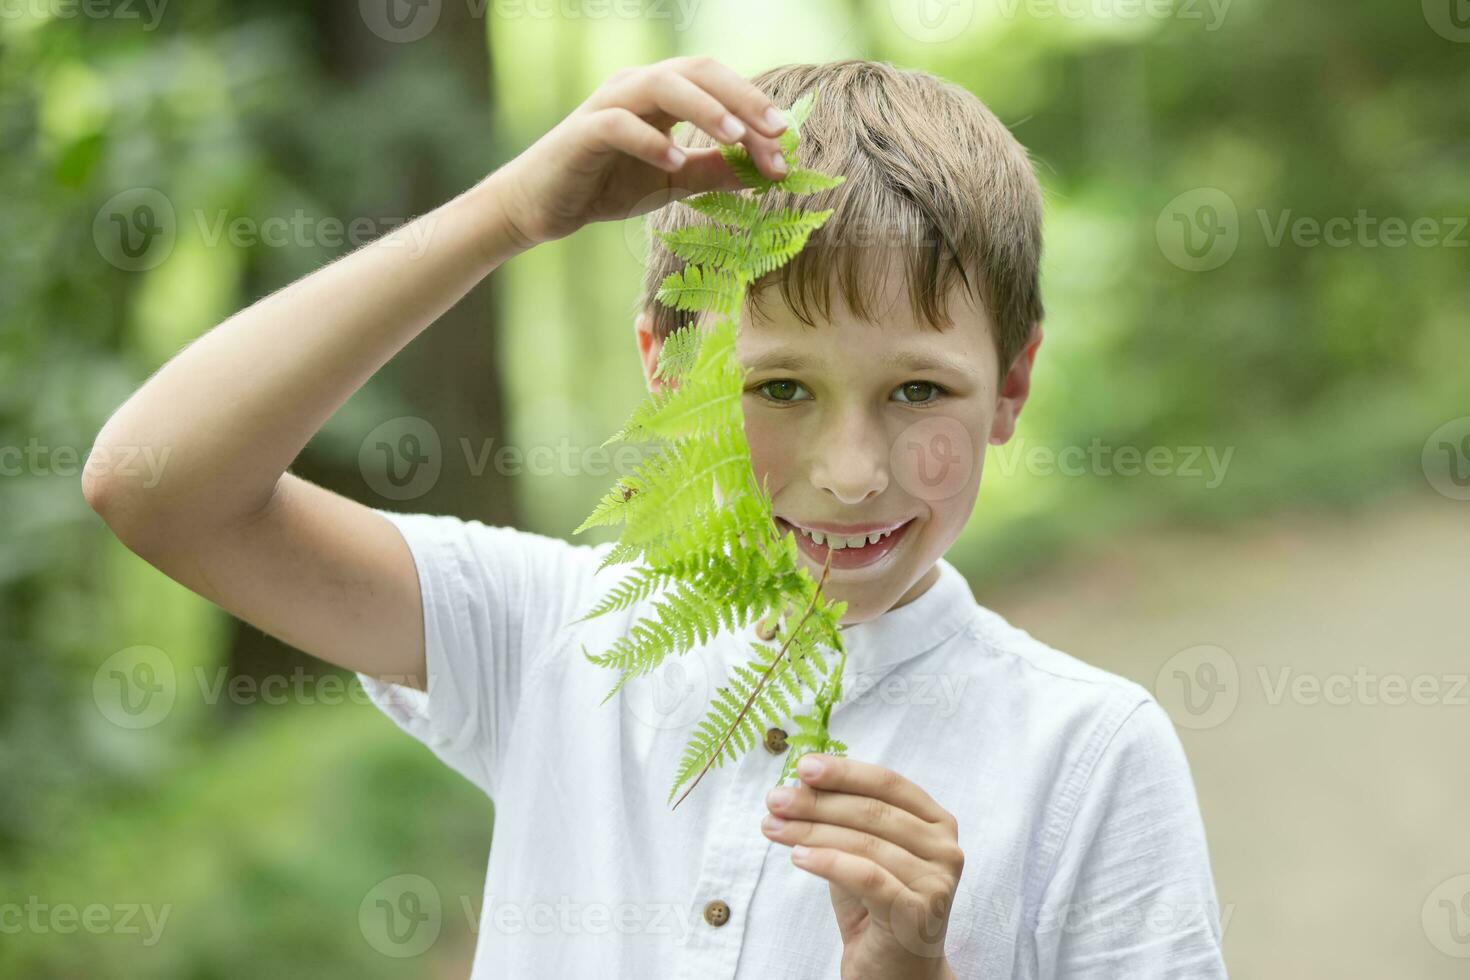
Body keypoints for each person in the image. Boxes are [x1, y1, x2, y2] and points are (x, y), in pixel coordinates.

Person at [85, 56, 1227, 979]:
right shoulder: (558, 630)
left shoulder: (1087, 754)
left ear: (1012, 388)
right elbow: (154, 484)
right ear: (668, 373)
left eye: (917, 389)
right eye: (778, 386)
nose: (848, 471)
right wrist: (502, 217)